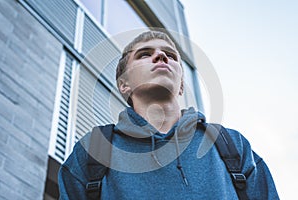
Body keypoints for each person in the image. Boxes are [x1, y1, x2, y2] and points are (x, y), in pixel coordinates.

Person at [58, 30, 279, 199]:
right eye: (145, 54)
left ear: (181, 85)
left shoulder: (231, 145)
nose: (161, 56)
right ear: (124, 85)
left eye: (170, 55)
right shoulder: (92, 152)